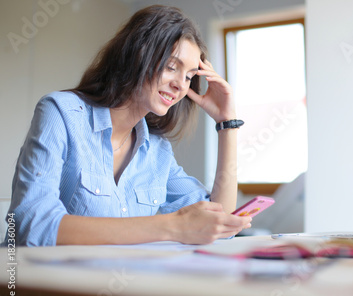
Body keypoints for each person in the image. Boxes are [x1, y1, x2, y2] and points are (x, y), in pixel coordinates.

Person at [3, 5, 252, 247]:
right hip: (38, 287)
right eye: (171, 67)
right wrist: (172, 226)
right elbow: (31, 225)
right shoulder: (61, 113)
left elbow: (222, 223)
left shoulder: (157, 151)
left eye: (188, 76)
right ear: (138, 54)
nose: (180, 85)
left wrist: (226, 123)